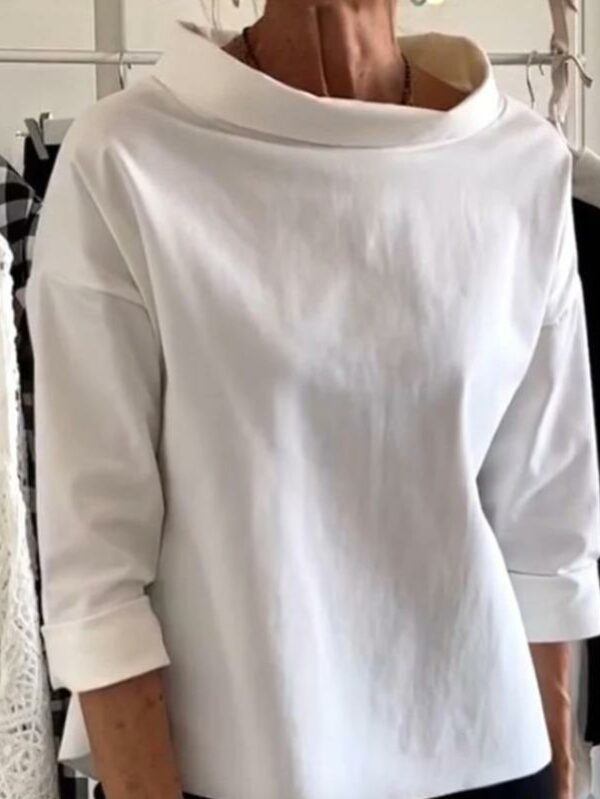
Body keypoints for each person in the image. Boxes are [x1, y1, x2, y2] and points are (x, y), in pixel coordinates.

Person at [27, 0, 600, 797]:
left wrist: (563, 772)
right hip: (240, 770)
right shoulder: (126, 158)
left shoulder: (520, 162)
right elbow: (96, 577)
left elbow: (546, 527)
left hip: (496, 757)